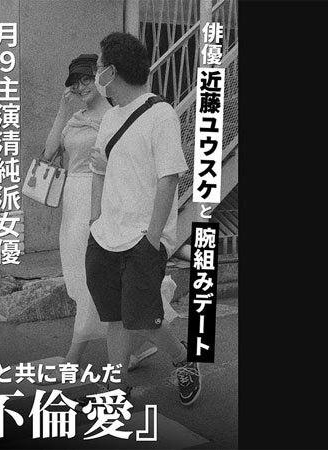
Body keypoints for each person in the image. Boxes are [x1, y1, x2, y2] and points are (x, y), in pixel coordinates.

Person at [86, 32, 202, 406]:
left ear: (112, 71)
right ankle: (116, 388)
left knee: (142, 318)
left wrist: (153, 237)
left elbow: (170, 177)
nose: (96, 74)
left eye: (99, 66)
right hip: (105, 234)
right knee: (115, 317)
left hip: (141, 237)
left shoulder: (160, 114)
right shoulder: (110, 118)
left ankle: (182, 358)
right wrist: (94, 221)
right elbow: (99, 170)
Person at [41, 54, 160, 375]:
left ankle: (74, 354)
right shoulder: (75, 118)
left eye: (86, 79)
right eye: (75, 82)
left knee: (93, 278)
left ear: (100, 78)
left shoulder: (117, 116)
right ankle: (140, 345)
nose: (81, 87)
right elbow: (48, 153)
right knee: (80, 278)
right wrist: (61, 110)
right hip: (72, 204)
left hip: (102, 201)